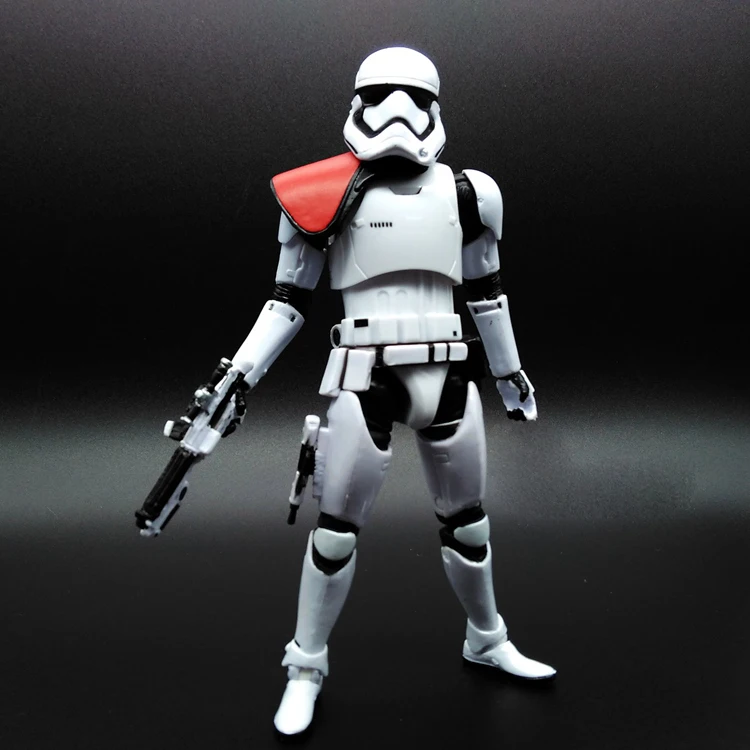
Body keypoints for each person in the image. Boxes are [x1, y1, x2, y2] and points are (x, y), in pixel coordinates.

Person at [226, 46, 556, 736]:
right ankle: (305, 666)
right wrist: (239, 376)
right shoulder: (322, 191)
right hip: (365, 376)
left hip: (450, 372)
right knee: (335, 533)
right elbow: (287, 300)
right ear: (357, 104)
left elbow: (487, 292)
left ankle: (486, 639)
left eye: (414, 96)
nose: (397, 111)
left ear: (435, 106)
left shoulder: (469, 192)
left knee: (469, 524)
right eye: (380, 96)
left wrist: (508, 373)